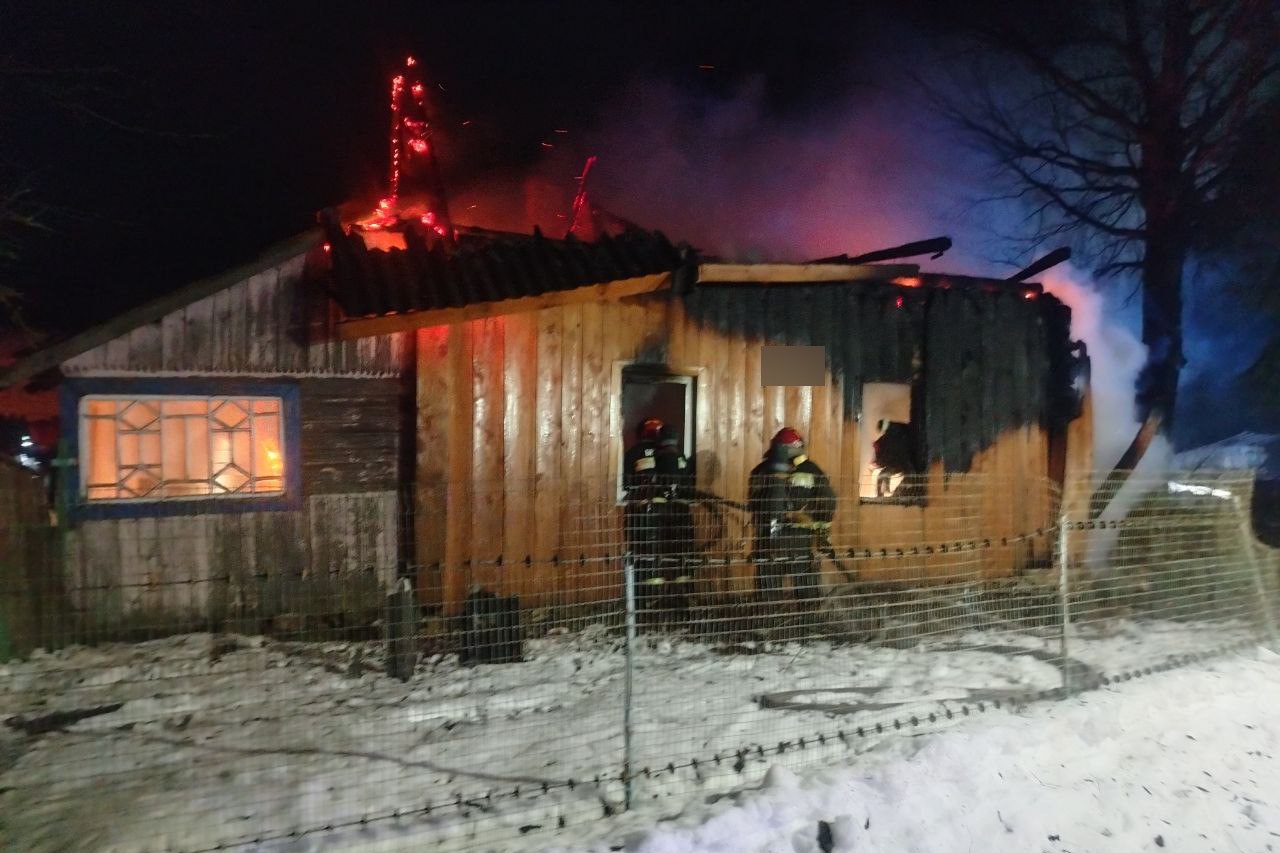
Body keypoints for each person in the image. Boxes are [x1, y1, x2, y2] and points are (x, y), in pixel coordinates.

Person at [747, 427, 836, 604]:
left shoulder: (760, 470)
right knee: (807, 589)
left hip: (769, 537)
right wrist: (823, 532)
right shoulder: (812, 470)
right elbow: (829, 501)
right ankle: (809, 625)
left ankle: (767, 625)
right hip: (800, 540)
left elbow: (755, 505)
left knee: (768, 591)